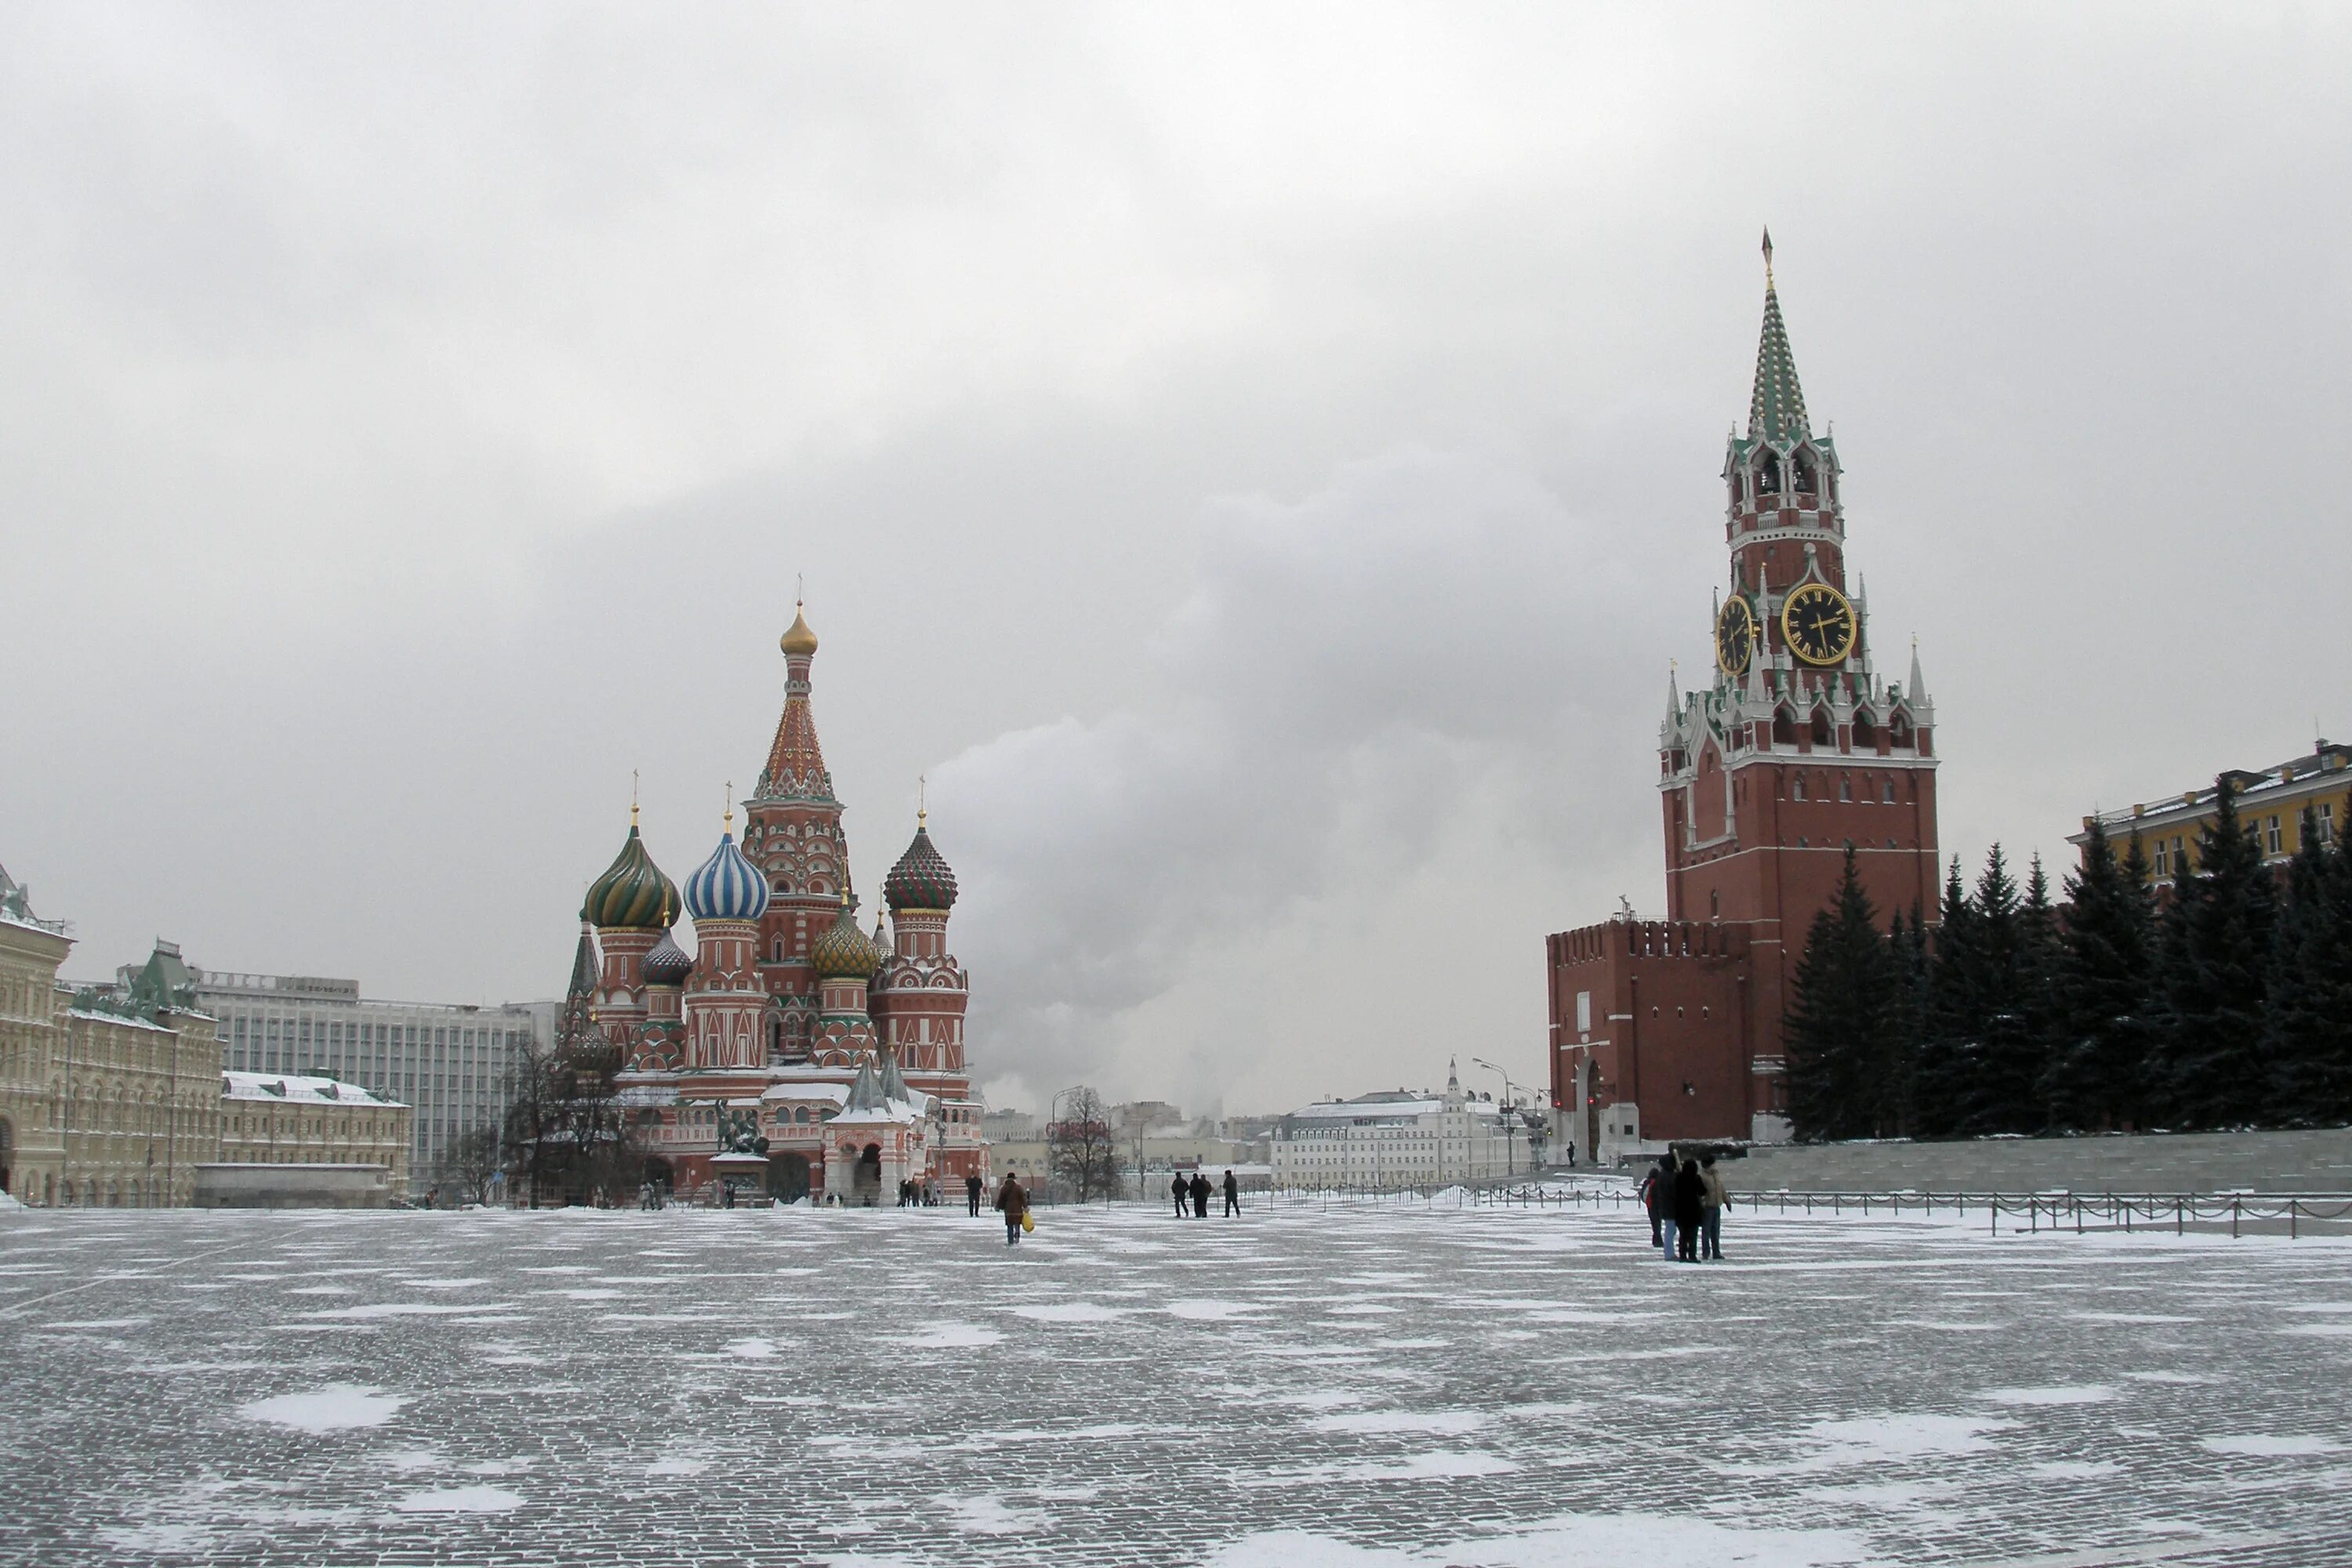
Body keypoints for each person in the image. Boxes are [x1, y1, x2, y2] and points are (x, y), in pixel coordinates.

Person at [1671, 1156, 1704, 1262]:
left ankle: (1682, 1255)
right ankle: (1692, 1255)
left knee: (1683, 1236)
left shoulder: (1679, 1178)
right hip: (1694, 1210)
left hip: (1680, 1210)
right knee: (1693, 1235)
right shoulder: (1696, 1178)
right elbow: (1702, 1191)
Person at [1638, 1155, 1671, 1250]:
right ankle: (1658, 1240)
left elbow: (1643, 1193)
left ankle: (1656, 1239)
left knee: (1654, 1223)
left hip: (1650, 1205)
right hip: (1658, 1205)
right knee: (1658, 1223)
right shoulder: (1658, 1182)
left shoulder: (1647, 1182)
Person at [1698, 1155, 1729, 1261]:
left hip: (1716, 1206)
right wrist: (1702, 1204)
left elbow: (1721, 1188)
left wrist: (1727, 1201)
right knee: (1706, 1232)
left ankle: (1716, 1252)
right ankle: (1706, 1252)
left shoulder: (1716, 1175)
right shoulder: (1702, 1176)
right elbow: (1700, 1192)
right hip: (1707, 1207)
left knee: (1716, 1231)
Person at [995, 1171, 1028, 1246]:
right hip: (1017, 1210)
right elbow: (1023, 1198)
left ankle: (1010, 1240)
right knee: (1017, 1224)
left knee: (1010, 1225)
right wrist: (1025, 1207)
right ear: (1014, 1178)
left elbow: (1001, 1199)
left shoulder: (1004, 1188)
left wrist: (998, 1207)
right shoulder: (1019, 1187)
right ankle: (1017, 1235)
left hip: (1008, 1210)